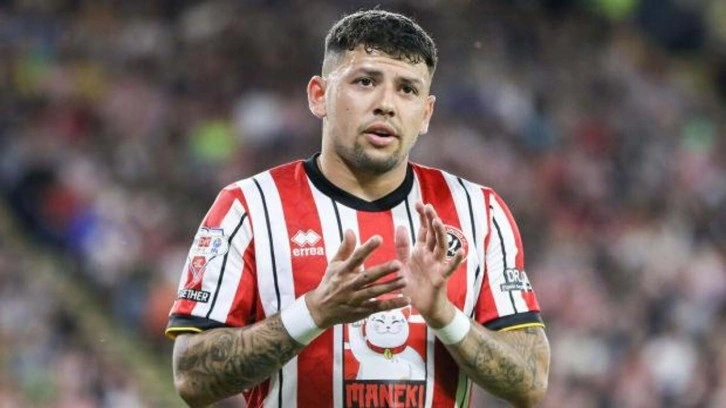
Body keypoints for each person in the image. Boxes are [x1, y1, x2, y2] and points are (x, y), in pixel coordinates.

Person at [166, 9, 550, 408]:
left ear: (426, 114)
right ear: (319, 96)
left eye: (407, 89)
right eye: (365, 82)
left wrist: (444, 315)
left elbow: (530, 381)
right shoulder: (249, 207)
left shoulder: (480, 212)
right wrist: (314, 312)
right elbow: (192, 378)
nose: (386, 104)